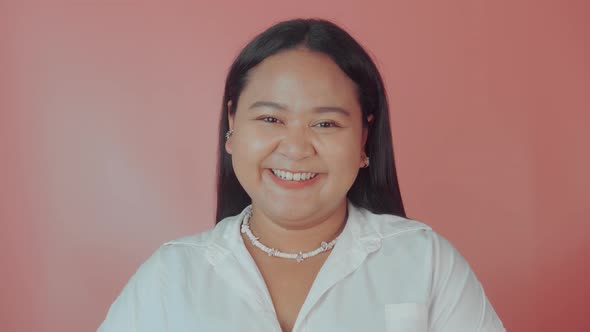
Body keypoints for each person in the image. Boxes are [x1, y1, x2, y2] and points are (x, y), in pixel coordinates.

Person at [98, 18, 506, 332]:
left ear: (364, 138)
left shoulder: (426, 263)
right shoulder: (172, 275)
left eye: (326, 124)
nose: (295, 149)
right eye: (271, 118)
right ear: (232, 125)